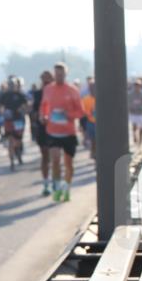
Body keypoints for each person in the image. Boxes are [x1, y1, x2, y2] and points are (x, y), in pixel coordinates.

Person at [40, 62, 85, 202]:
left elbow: (81, 111)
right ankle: (57, 188)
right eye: (56, 74)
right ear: (54, 74)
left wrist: (69, 115)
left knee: (68, 164)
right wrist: (43, 116)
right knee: (54, 160)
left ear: (66, 74)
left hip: (69, 132)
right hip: (53, 131)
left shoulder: (72, 90)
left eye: (61, 74)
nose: (58, 76)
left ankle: (66, 188)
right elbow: (44, 106)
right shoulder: (48, 89)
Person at [0, 76, 30, 171]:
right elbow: (0, 106)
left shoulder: (20, 95)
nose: (12, 86)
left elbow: (26, 105)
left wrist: (22, 110)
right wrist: (3, 112)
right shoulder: (4, 95)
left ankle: (18, 153)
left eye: (13, 84)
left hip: (18, 120)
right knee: (10, 140)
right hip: (8, 120)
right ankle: (12, 161)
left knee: (18, 140)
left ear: (16, 85)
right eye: (10, 84)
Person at [31, 70, 55, 196]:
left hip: (57, 128)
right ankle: (46, 183)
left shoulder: (57, 92)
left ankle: (56, 180)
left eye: (49, 79)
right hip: (43, 128)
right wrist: (40, 117)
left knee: (55, 155)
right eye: (44, 79)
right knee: (45, 156)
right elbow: (34, 112)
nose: (46, 82)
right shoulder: (38, 94)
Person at [81, 78, 97, 159]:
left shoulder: (101, 98)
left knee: (99, 143)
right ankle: (94, 154)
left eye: (94, 87)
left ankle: (96, 156)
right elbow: (83, 114)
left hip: (99, 124)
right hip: (90, 123)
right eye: (91, 87)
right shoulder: (85, 100)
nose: (92, 89)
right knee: (93, 142)